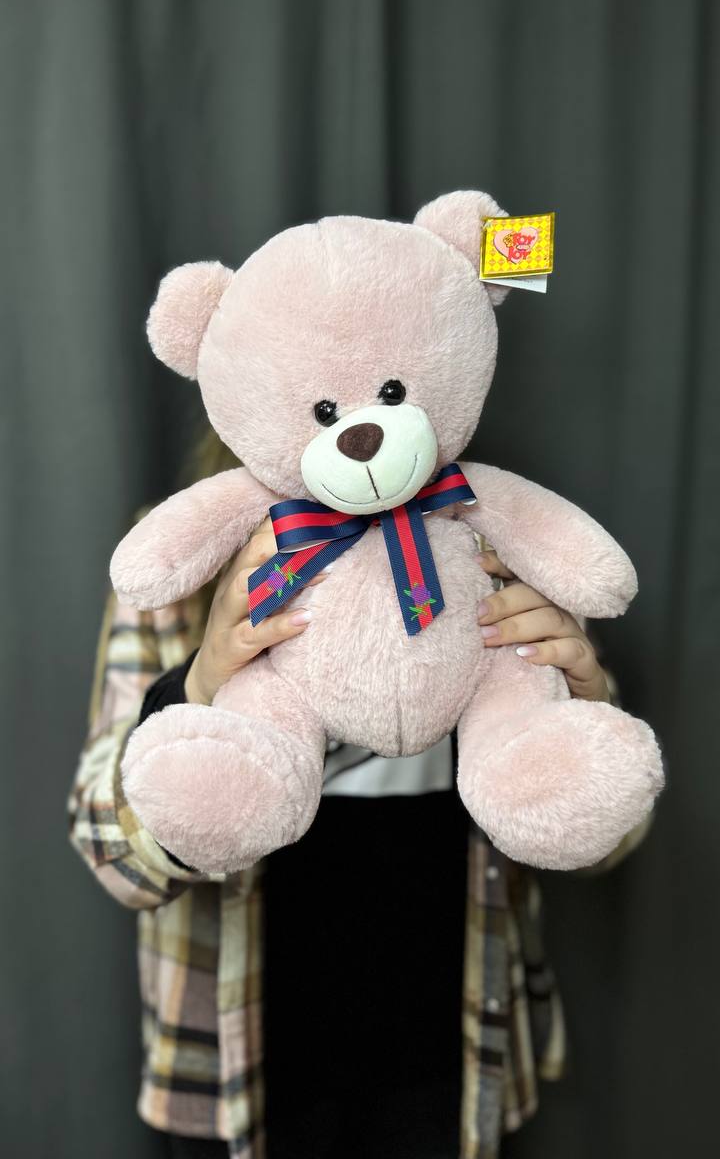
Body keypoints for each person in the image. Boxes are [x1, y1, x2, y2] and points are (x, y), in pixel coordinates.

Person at [68, 429, 649, 1159]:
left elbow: (610, 844)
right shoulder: (177, 553)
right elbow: (110, 853)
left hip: (456, 1047)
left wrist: (584, 713)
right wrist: (200, 684)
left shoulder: (497, 532)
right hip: (242, 1062)